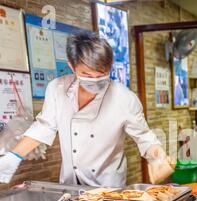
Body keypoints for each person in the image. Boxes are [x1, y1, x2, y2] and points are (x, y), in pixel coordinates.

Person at [0, 32, 166, 187]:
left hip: (107, 186)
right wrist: (14, 156)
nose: (95, 80)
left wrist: (159, 158)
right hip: (70, 183)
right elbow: (44, 127)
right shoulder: (57, 88)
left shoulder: (124, 98)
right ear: (72, 66)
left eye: (102, 74)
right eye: (87, 75)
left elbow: (144, 137)